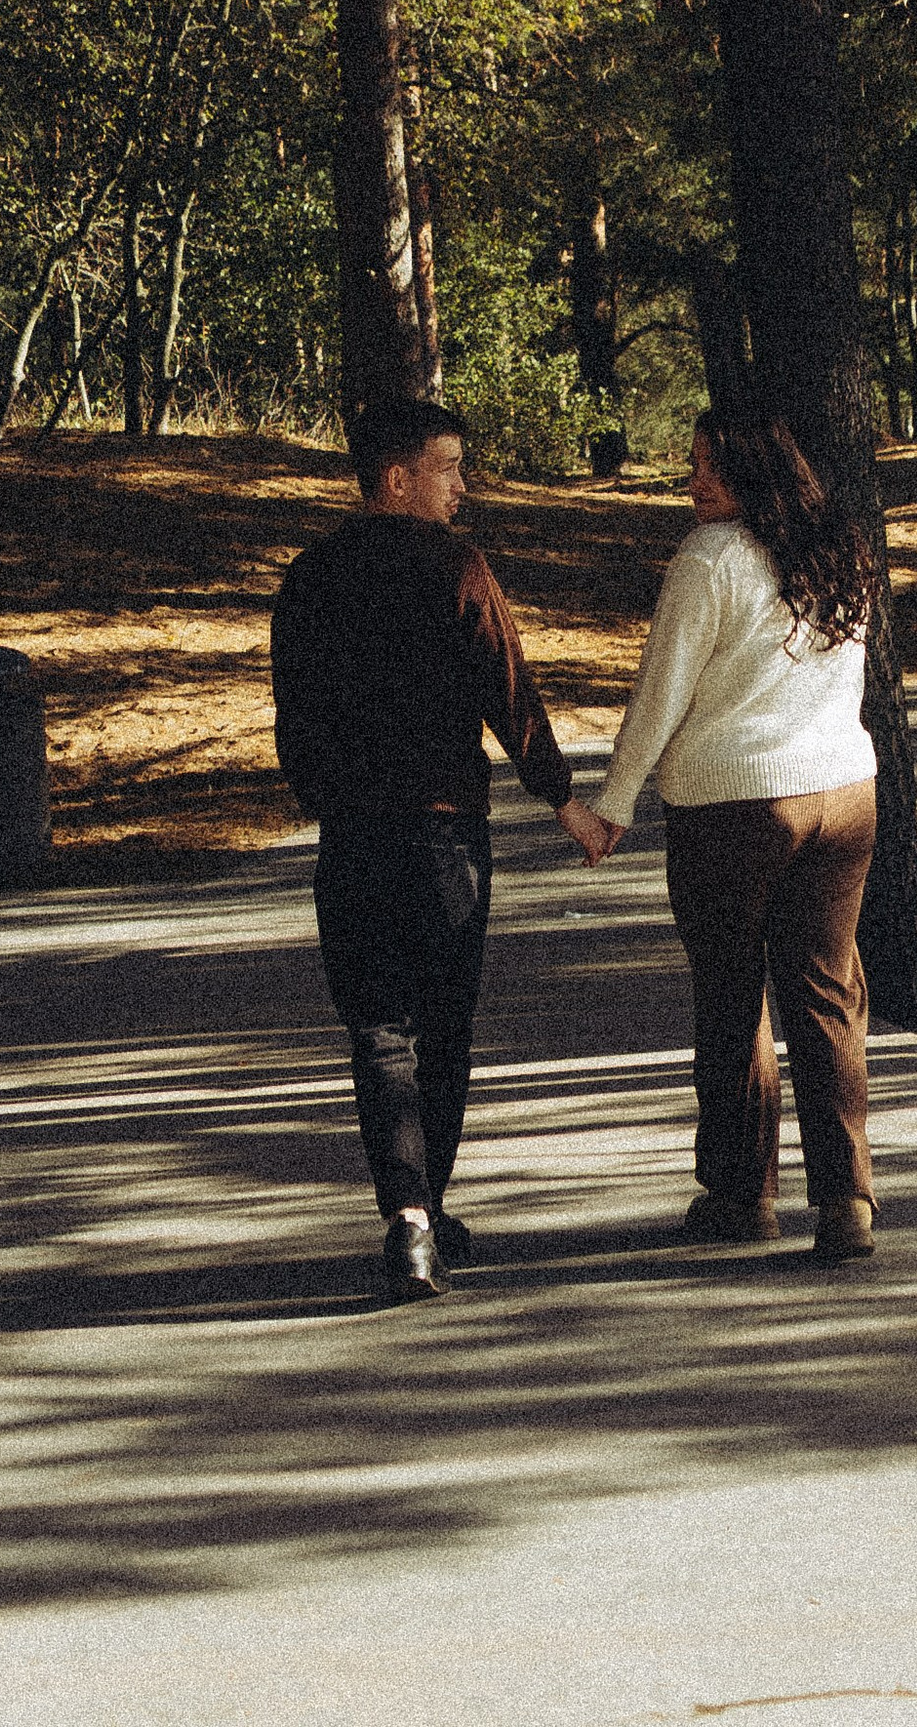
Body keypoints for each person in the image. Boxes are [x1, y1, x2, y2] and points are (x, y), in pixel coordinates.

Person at [271, 391, 611, 1299]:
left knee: (378, 1030)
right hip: (441, 838)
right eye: (448, 468)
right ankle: (427, 1207)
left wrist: (328, 796)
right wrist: (564, 801)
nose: (463, 486)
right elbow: (510, 692)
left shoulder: (308, 577)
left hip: (352, 838)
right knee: (443, 1026)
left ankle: (411, 1217)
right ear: (397, 476)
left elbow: (292, 723)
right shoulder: (458, 569)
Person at [586, 412, 882, 1263]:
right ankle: (847, 1200)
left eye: (711, 467)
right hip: (844, 795)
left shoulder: (709, 560)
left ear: (757, 469)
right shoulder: (841, 549)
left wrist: (615, 800)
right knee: (829, 995)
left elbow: (661, 693)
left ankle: (741, 1194)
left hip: (735, 805)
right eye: (691, 464)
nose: (694, 481)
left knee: (730, 994)